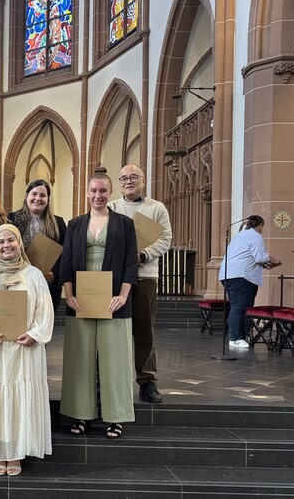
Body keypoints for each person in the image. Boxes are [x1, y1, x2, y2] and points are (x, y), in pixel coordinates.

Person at [0, 224, 54, 477]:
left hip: (25, 349)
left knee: (18, 396)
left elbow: (44, 309)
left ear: (19, 244)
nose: (6, 246)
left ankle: (15, 452)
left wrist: (35, 334)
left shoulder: (34, 274)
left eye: (11, 241)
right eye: (1, 241)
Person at [59, 167, 138, 440]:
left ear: (110, 192)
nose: (98, 195)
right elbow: (66, 263)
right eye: (93, 191)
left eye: (103, 191)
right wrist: (69, 295)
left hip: (114, 300)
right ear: (87, 192)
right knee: (79, 360)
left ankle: (115, 417)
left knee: (115, 361)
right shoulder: (75, 225)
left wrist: (123, 296)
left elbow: (130, 263)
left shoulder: (125, 224)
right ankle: (80, 414)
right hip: (81, 300)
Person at [107, 164, 171, 404]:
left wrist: (142, 255)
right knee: (114, 332)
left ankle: (147, 381)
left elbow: (165, 238)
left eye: (133, 177)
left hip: (145, 278)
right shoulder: (112, 207)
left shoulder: (156, 208)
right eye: (123, 178)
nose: (128, 181)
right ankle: (112, 380)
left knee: (144, 330)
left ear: (143, 180)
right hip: (116, 279)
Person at [219, 215, 282, 349]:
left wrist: (265, 265)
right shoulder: (255, 235)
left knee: (242, 306)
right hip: (241, 276)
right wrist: (273, 259)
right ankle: (235, 338)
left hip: (230, 274)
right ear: (260, 226)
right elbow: (260, 257)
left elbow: (246, 256)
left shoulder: (240, 235)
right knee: (239, 307)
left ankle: (241, 336)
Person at [9, 179, 67, 310]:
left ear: (48, 199)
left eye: (42, 195)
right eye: (34, 194)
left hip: (47, 285)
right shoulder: (12, 219)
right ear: (26, 196)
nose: (38, 198)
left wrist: (55, 273)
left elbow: (66, 255)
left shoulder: (58, 223)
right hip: (19, 282)